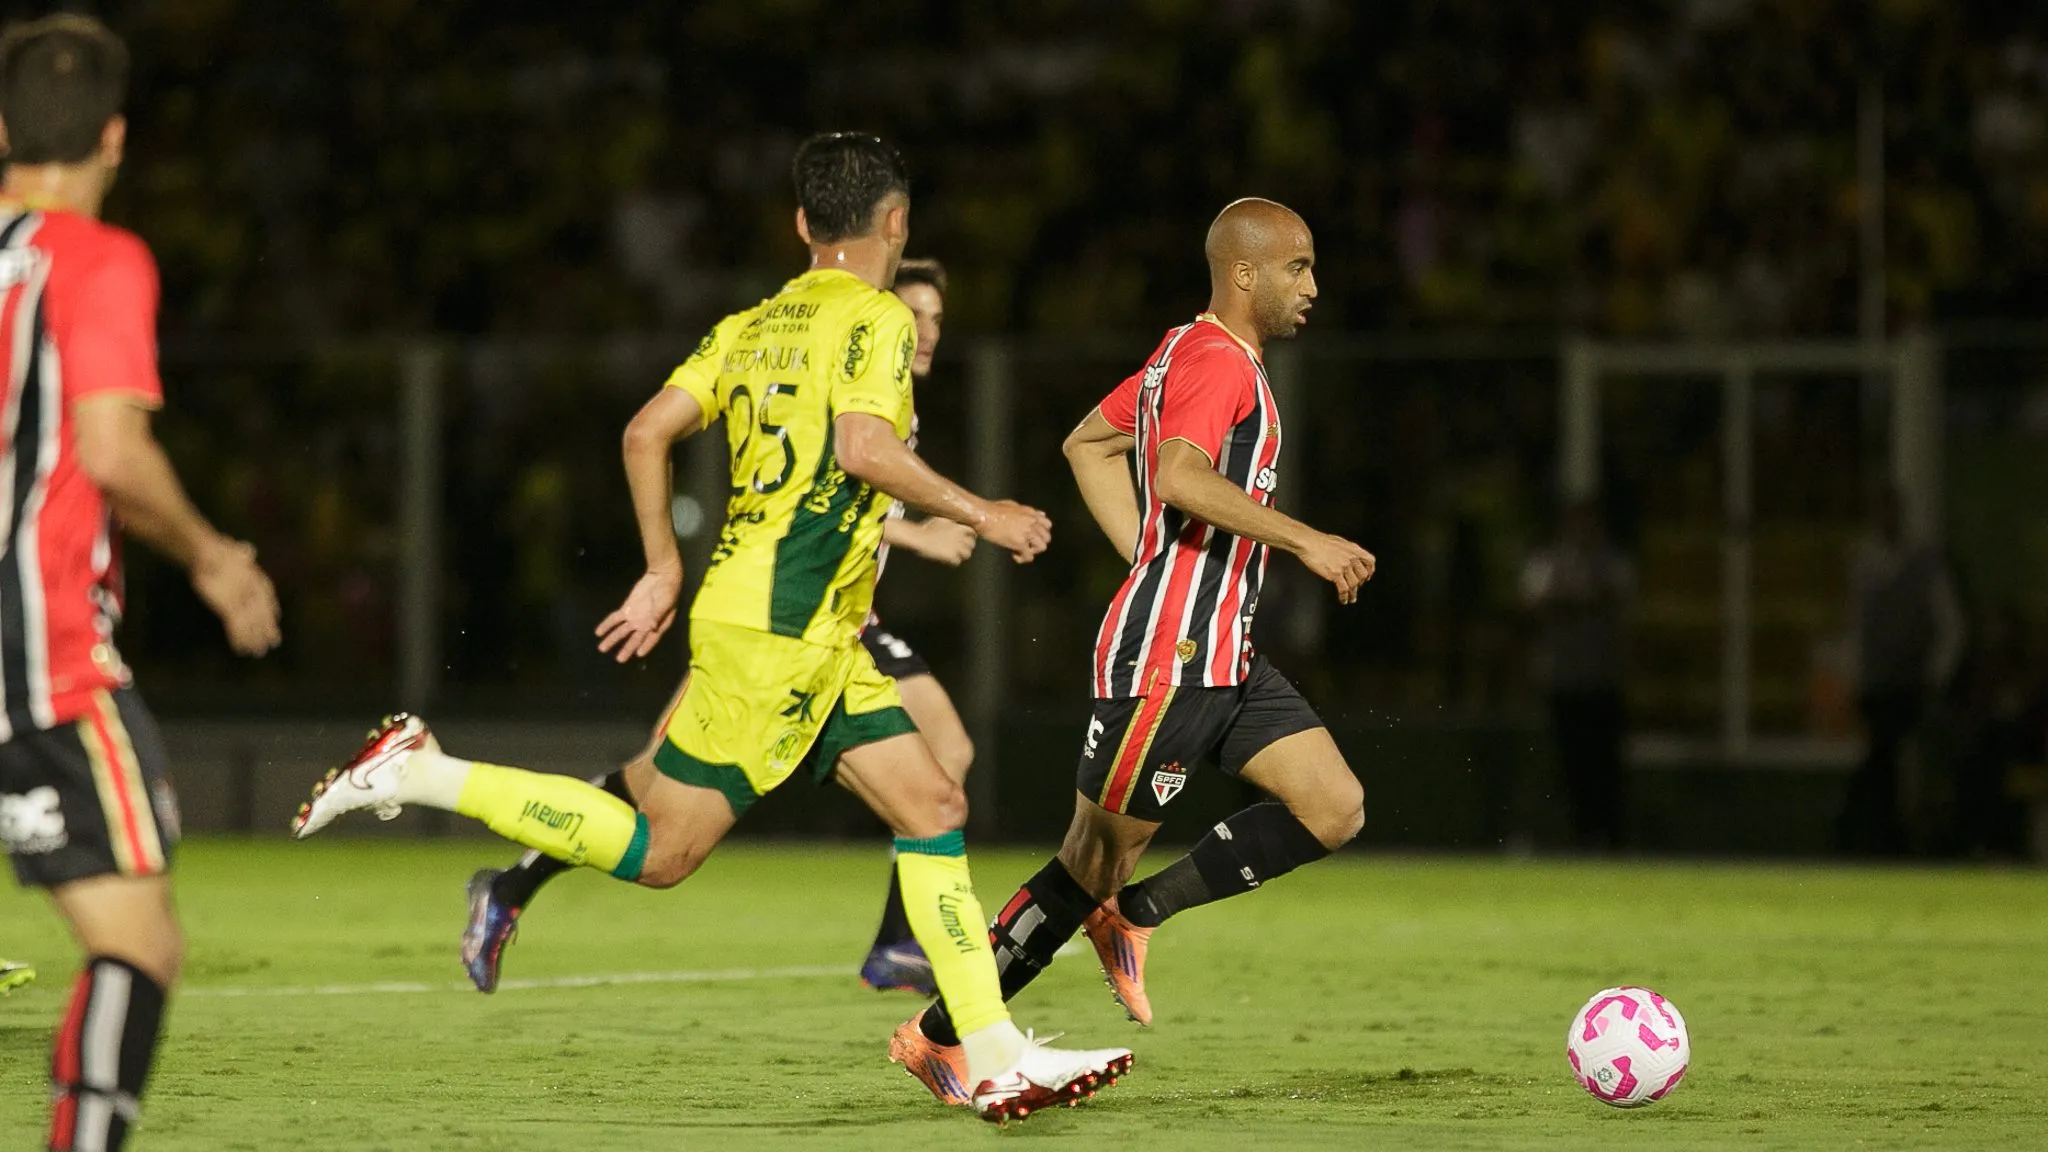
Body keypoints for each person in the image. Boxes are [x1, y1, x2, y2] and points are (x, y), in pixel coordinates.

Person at [293, 132, 1132, 1123]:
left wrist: (661, 565)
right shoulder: (874, 319)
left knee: (931, 802)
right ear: (897, 225)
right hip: (779, 627)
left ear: (799, 225)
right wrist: (979, 511)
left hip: (811, 624)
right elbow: (863, 446)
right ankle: (419, 770)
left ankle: (982, 1052)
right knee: (663, 852)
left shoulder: (753, 322)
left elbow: (644, 430)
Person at [887, 198, 1374, 1103]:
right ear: (1245, 273)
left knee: (1333, 806)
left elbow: (1089, 444)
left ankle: (1140, 914)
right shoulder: (1214, 359)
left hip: (1226, 653)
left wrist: (1149, 552)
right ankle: (939, 1036)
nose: (1313, 285)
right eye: (1298, 267)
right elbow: (1179, 476)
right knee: (1088, 861)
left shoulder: (1193, 353)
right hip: (1171, 657)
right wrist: (1301, 541)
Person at [0, 16, 282, 1151]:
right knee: (138, 943)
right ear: (115, 137)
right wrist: (216, 558)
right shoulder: (97, 257)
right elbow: (112, 453)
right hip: (42, 647)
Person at [857, 257, 982, 995]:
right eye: (915, 316)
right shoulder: (866, 391)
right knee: (672, 814)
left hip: (856, 622)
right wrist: (929, 533)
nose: (930, 331)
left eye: (938, 318)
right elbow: (840, 483)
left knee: (950, 753)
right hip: (812, 625)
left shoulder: (899, 397)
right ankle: (521, 878)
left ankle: (897, 942)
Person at [1834, 487, 1964, 855]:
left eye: (1891, 510)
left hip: (1912, 688)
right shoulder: (1864, 562)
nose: (1886, 518)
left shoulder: (1926, 562)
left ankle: (1892, 841)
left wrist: (1934, 677)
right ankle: (1878, 841)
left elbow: (1951, 626)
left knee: (1898, 764)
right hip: (1876, 686)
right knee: (1880, 762)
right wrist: (1855, 677)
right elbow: (1855, 626)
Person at [1520, 499, 1634, 850]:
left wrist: (1576, 602)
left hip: (1602, 679)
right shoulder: (1548, 562)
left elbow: (1621, 598)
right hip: (1561, 681)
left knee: (1603, 763)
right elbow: (1533, 603)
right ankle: (1563, 836)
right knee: (1563, 763)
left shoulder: (1612, 562)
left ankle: (1607, 836)